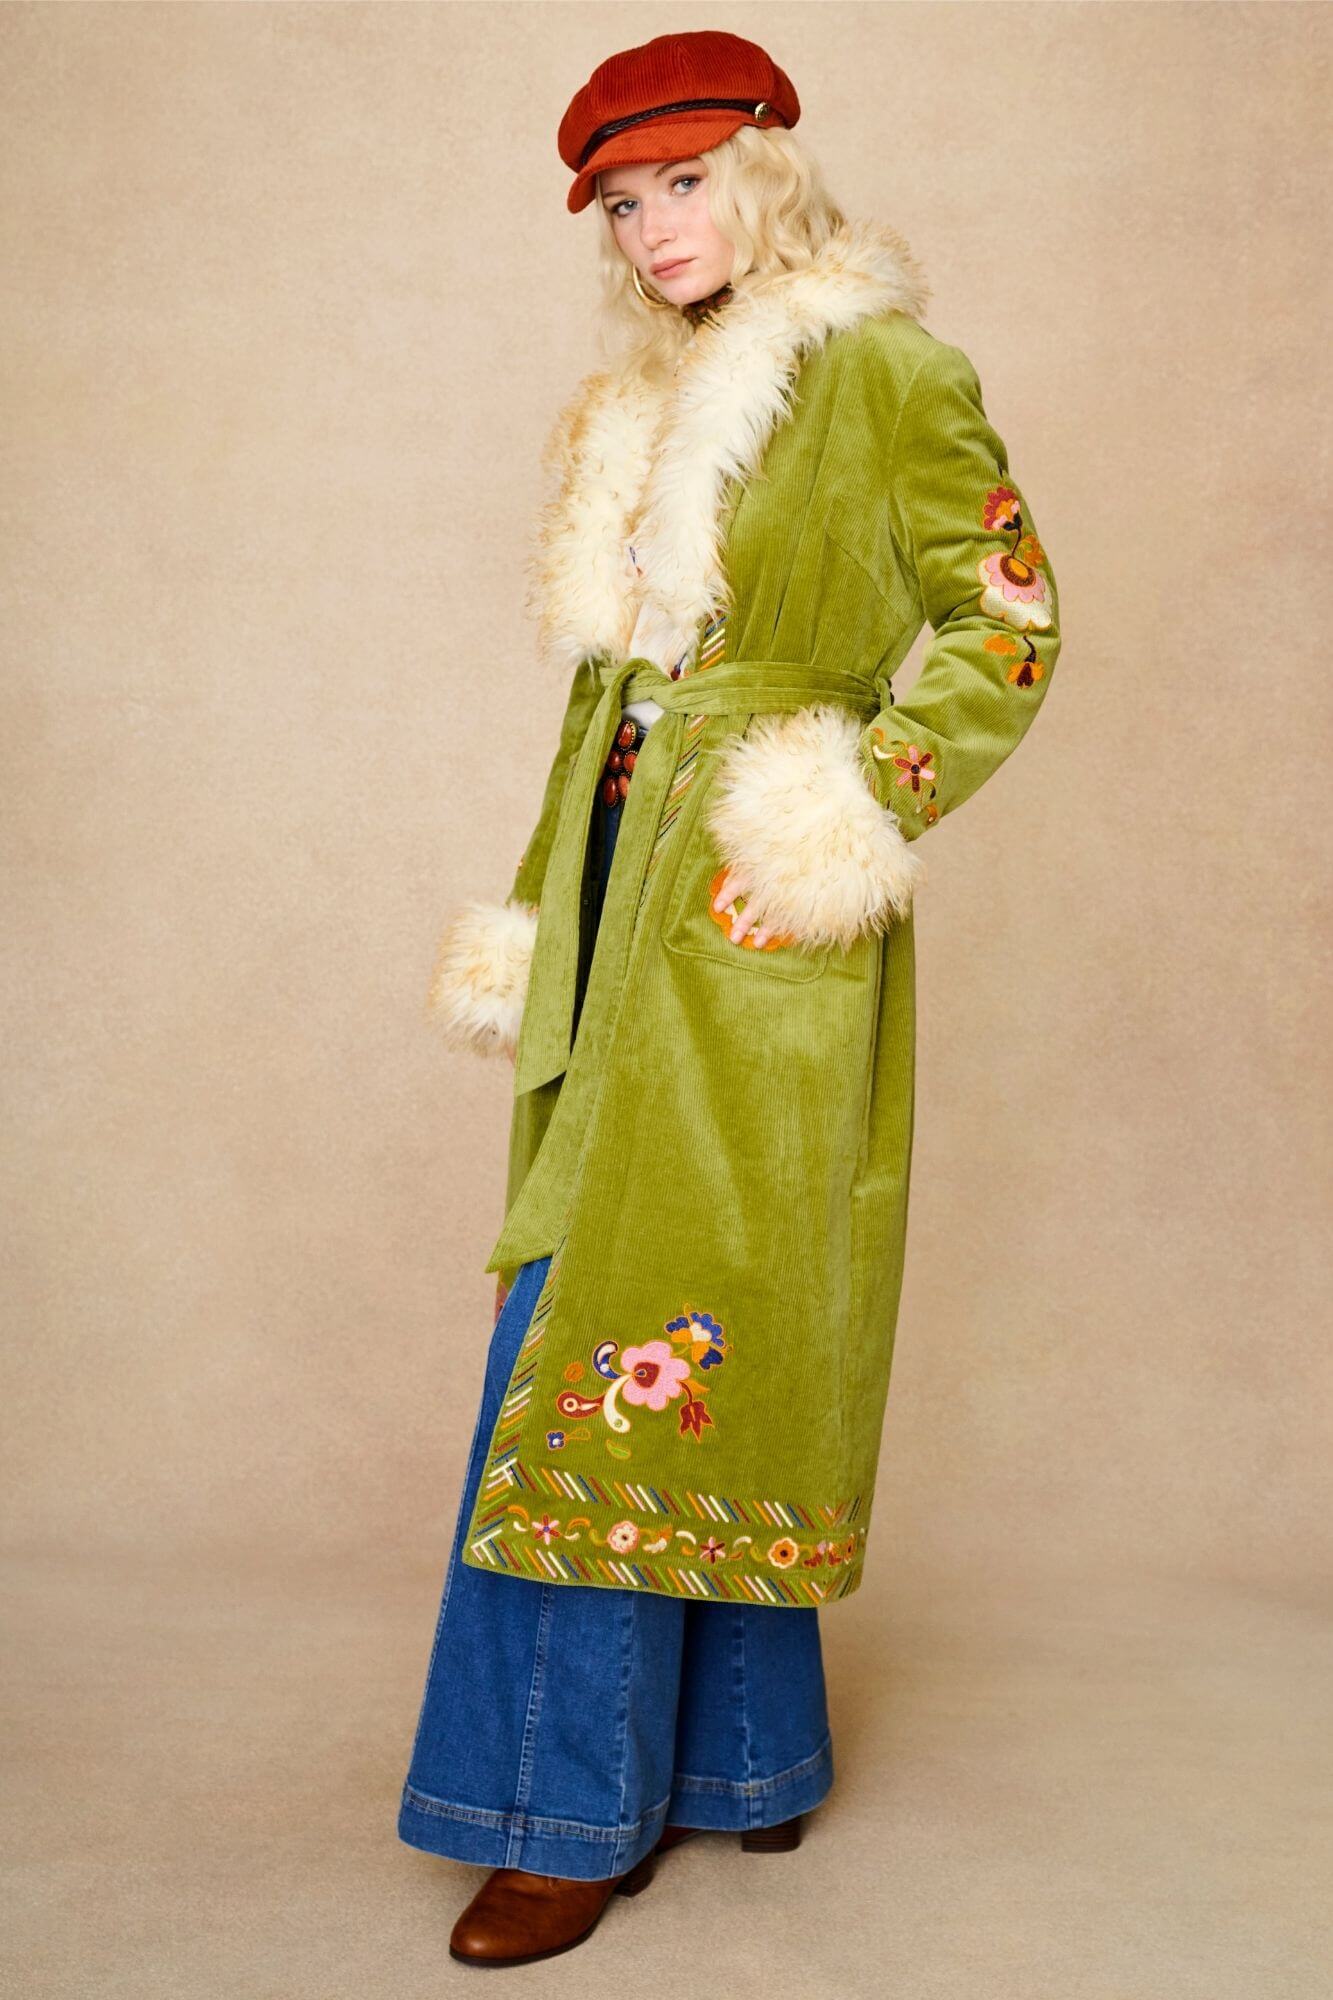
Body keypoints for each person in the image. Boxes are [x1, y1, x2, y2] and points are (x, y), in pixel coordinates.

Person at [400, 27, 1062, 1970]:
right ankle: (742, 1763)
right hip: (618, 891)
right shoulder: (654, 395)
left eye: (683, 181)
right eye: (621, 202)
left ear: (765, 166)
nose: (651, 227)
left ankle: (558, 1808)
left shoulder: (883, 371)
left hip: (755, 905)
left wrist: (844, 805)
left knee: (628, 1331)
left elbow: (1009, 617)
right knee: (695, 1325)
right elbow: (620, 696)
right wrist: (553, 893)